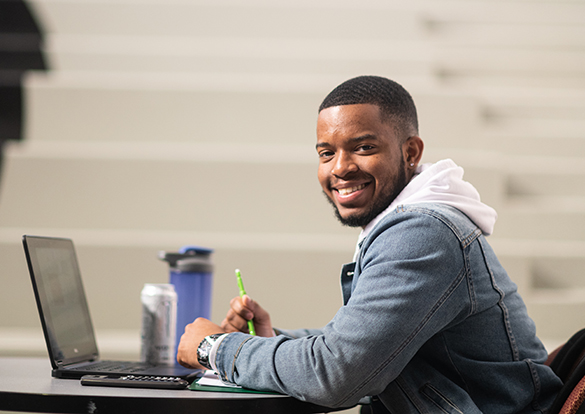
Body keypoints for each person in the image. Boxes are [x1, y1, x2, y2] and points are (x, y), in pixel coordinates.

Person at [177, 76, 563, 413]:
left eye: (362, 148)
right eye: (326, 153)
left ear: (410, 152)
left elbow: (335, 375)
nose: (340, 167)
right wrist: (270, 343)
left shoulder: (423, 234)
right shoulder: (408, 223)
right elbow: (348, 348)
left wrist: (215, 347)